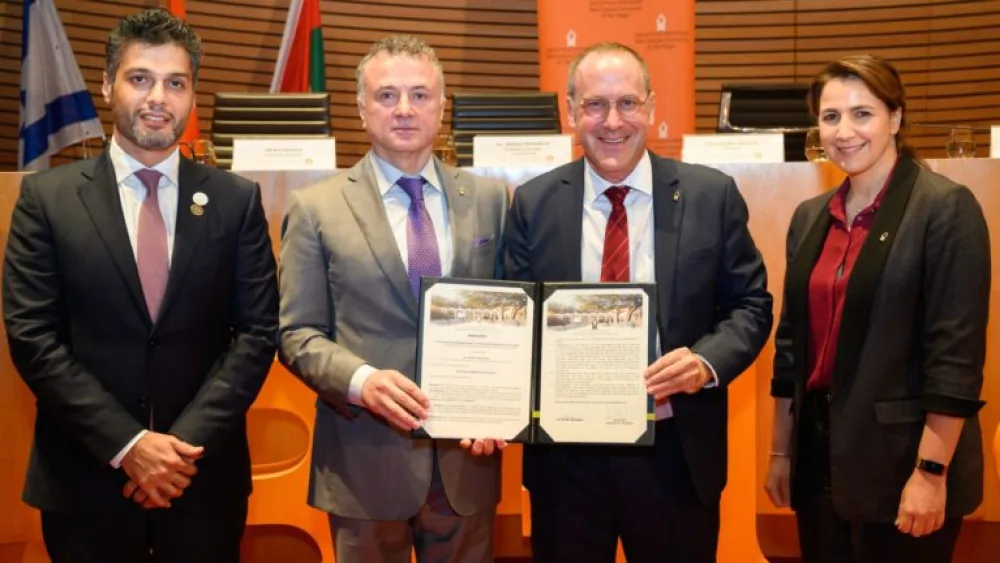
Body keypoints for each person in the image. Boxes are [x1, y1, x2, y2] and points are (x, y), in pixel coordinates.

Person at [2, 8, 278, 563]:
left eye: (175, 82)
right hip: (85, 480)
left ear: (193, 96)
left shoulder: (235, 200)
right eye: (140, 79)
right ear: (107, 86)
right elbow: (33, 336)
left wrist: (176, 454)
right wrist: (128, 446)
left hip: (200, 480)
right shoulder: (47, 200)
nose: (158, 97)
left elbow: (255, 335)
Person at [503, 42, 773, 563]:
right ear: (571, 111)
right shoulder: (533, 204)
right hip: (566, 460)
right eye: (594, 104)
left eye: (627, 103)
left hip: (674, 453)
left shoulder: (711, 195)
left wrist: (704, 363)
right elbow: (518, 326)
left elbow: (750, 305)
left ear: (651, 106)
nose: (612, 121)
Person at [278, 34, 509, 563]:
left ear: (442, 107)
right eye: (386, 96)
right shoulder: (315, 208)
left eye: (420, 95)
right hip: (364, 461)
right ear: (361, 109)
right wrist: (363, 382)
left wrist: (502, 402)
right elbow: (295, 333)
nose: (404, 110)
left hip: (466, 463)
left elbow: (510, 317)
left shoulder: (491, 200)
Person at [765, 55, 989, 563]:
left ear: (896, 117)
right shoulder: (809, 217)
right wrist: (782, 453)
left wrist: (931, 475)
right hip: (819, 462)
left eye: (862, 114)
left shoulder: (944, 209)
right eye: (830, 116)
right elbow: (789, 347)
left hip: (904, 462)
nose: (844, 131)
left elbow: (955, 360)